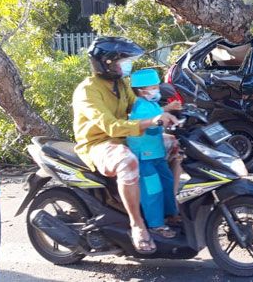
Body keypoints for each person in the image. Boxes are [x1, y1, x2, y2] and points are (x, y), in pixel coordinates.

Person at [72, 36, 178, 254]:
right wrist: (152, 121)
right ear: (107, 63)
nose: (127, 65)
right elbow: (110, 126)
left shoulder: (120, 84)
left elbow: (138, 106)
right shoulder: (87, 91)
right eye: (123, 61)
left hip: (124, 137)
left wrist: (166, 110)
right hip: (98, 143)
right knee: (128, 162)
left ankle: (169, 207)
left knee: (174, 145)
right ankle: (137, 224)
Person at [127, 69, 182, 238]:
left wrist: (168, 108)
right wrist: (164, 116)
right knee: (153, 190)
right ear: (142, 90)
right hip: (145, 156)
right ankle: (155, 224)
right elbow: (152, 119)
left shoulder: (149, 103)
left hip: (156, 153)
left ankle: (170, 214)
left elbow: (157, 112)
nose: (156, 90)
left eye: (157, 87)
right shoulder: (140, 106)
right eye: (153, 87)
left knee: (167, 181)